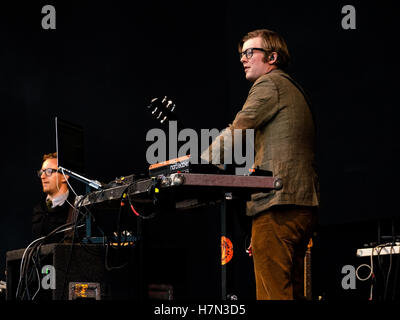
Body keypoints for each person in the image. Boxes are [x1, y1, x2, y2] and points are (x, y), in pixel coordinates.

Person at [201, 29, 320, 300]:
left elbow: (239, 128)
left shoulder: (270, 85)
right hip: (302, 207)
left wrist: (198, 166)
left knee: (272, 296)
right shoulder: (293, 88)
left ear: (272, 57)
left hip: (277, 206)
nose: (243, 59)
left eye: (249, 52)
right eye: (241, 54)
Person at [32, 152, 75, 241]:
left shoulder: (77, 208)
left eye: (49, 171)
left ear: (65, 176)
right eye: (41, 172)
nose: (42, 176)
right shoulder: (38, 208)